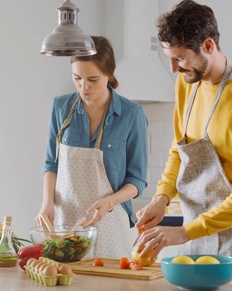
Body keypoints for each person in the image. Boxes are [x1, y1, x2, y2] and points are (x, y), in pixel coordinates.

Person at [134, 0, 232, 274]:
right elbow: (180, 150)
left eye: (179, 58)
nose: (174, 69)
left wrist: (185, 232)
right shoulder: (186, 84)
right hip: (193, 241)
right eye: (169, 58)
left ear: (208, 46)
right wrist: (161, 198)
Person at [36, 36, 148, 259]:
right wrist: (47, 204)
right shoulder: (60, 107)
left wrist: (109, 202)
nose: (83, 87)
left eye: (93, 79)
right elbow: (52, 163)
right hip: (65, 221)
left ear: (109, 75)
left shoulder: (131, 114)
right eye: (77, 78)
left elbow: (137, 181)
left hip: (110, 221)